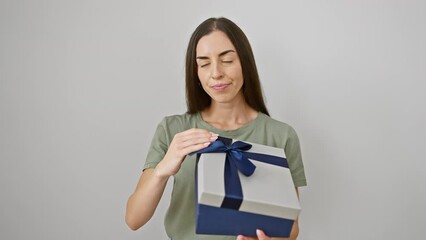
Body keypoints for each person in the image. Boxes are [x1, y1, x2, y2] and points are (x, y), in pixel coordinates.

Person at [125, 17, 307, 240]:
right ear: (196, 73)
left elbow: (291, 228)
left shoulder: (281, 135)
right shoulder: (173, 129)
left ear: (245, 64)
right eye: (204, 63)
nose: (216, 73)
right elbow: (134, 219)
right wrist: (163, 169)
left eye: (227, 60)